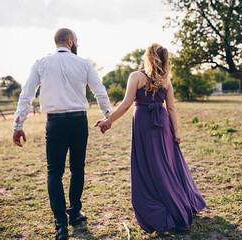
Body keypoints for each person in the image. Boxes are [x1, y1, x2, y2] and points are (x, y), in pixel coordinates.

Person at [12, 28, 111, 240]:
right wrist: (107, 116)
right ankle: (74, 213)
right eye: (76, 41)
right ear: (70, 40)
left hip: (55, 124)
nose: (77, 44)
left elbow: (26, 94)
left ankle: (61, 224)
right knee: (77, 168)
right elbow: (99, 91)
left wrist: (18, 124)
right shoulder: (84, 64)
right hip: (78, 122)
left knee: (54, 173)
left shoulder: (41, 63)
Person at [97, 43, 206, 233]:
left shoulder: (136, 77)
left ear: (148, 57)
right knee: (165, 164)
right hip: (163, 124)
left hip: (143, 124)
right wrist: (176, 132)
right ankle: (178, 202)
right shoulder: (166, 80)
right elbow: (171, 108)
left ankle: (161, 207)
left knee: (149, 165)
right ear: (164, 59)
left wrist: (108, 121)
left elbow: (126, 104)